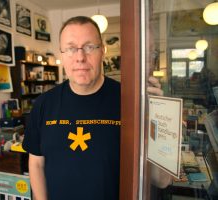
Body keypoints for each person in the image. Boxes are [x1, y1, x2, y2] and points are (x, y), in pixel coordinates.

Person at [22, 16, 164, 200]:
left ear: (102, 51)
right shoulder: (43, 104)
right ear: (62, 55)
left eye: (89, 47)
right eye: (71, 49)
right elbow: (36, 163)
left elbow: (161, 180)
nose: (80, 57)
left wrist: (158, 117)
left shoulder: (128, 102)